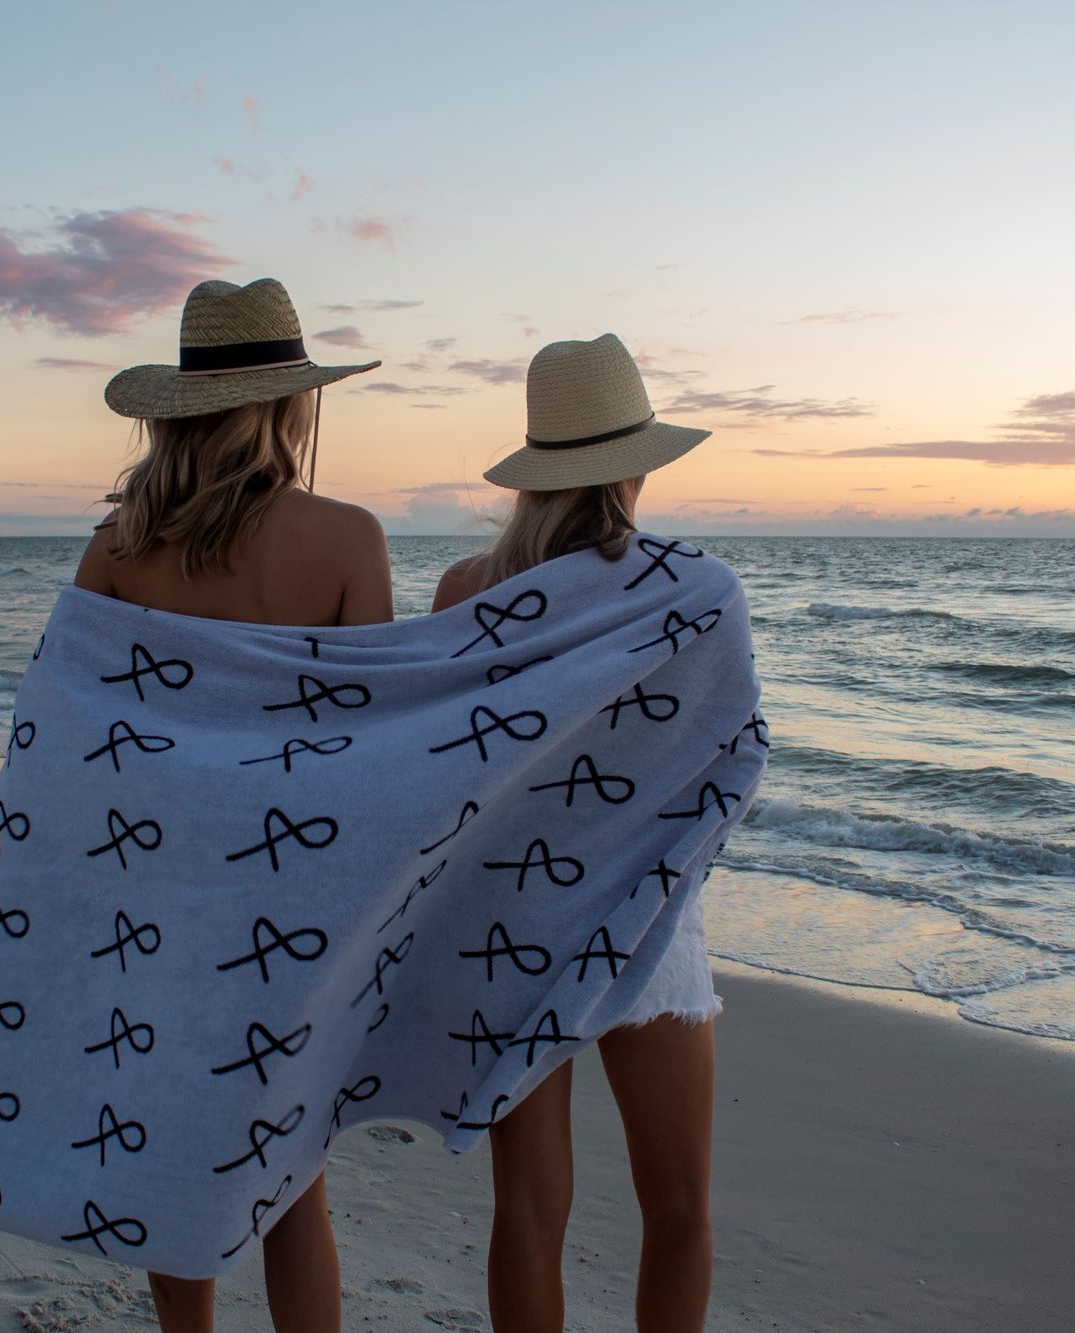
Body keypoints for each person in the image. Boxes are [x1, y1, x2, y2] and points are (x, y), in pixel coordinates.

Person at [75, 276, 393, 1333]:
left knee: (169, 1156)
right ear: (291, 401)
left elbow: (74, 741)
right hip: (290, 901)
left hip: (152, 897)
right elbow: (371, 750)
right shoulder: (347, 540)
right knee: (292, 1175)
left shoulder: (117, 545)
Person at [432, 333, 721, 1333]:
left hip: (513, 918)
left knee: (528, 1208)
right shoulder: (687, 589)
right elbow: (716, 762)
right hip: (647, 905)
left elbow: (439, 776)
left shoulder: (465, 592)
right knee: (675, 1202)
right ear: (635, 462)